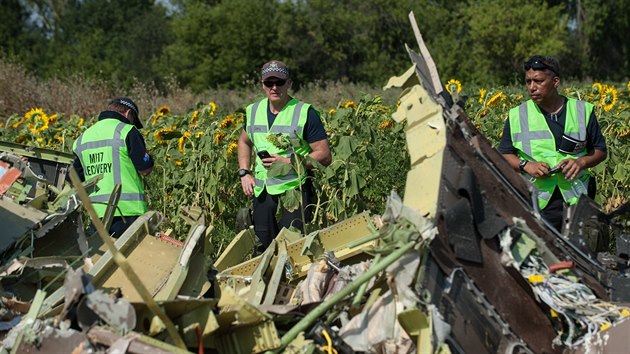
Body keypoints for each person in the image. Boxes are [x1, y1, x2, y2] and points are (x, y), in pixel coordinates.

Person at [498, 55, 607, 232]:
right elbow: (503, 155)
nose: (532, 87)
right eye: (528, 82)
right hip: (536, 201)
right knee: (543, 254)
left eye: (538, 81)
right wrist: (526, 165)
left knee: (579, 253)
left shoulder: (582, 111)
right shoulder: (517, 115)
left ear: (555, 81)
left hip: (576, 198)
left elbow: (600, 150)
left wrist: (581, 162)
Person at [237, 60, 332, 250]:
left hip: (294, 192)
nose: (274, 87)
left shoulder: (305, 113)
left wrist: (289, 162)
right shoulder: (253, 111)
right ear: (262, 85)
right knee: (263, 248)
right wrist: (244, 173)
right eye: (269, 83)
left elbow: (324, 154)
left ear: (289, 83)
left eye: (279, 82)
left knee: (293, 249)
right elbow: (244, 141)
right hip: (262, 193)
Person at [72, 97, 154, 237]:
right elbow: (144, 168)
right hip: (128, 212)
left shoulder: (81, 139)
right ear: (128, 114)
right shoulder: (127, 130)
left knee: (104, 257)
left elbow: (76, 179)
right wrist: (150, 158)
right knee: (134, 257)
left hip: (97, 215)